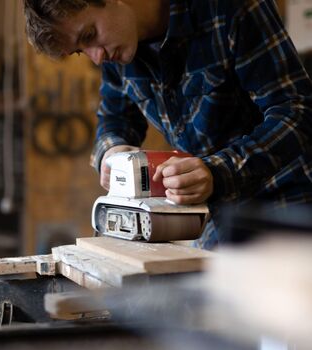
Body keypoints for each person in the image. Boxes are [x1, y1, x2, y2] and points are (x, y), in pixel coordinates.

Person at [23, 0, 312, 249]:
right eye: (80, 50)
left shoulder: (230, 8)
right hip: (210, 218)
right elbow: (115, 118)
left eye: (89, 35)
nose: (96, 57)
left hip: (287, 208)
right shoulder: (116, 47)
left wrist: (218, 172)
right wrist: (111, 152)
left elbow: (298, 110)